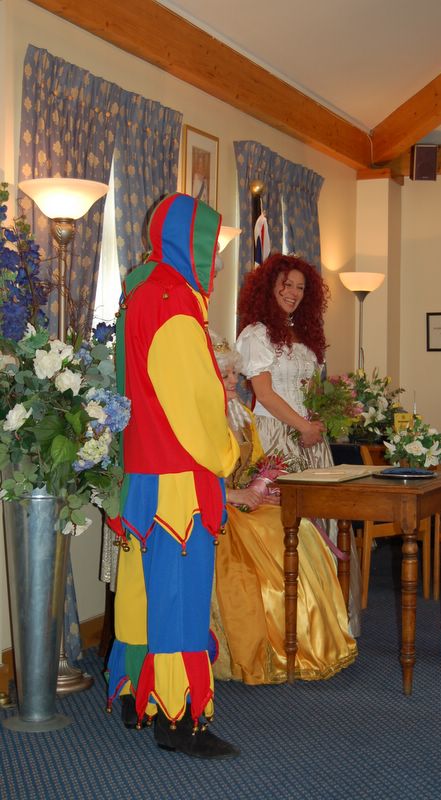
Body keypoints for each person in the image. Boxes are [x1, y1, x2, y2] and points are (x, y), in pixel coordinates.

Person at [105, 193, 240, 759]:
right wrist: (229, 453)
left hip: (141, 472)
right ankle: (180, 720)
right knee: (180, 599)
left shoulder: (139, 291)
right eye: (212, 250)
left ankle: (139, 699)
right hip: (177, 479)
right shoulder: (174, 303)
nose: (217, 264)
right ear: (192, 246)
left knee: (143, 595)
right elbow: (195, 403)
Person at [209, 333, 357, 684]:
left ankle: (309, 639)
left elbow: (255, 466)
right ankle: (278, 645)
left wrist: (264, 488)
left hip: (247, 503)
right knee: (272, 537)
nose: (233, 381)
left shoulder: (242, 416)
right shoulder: (200, 419)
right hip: (217, 509)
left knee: (299, 526)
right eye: (224, 374)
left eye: (234, 374)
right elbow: (194, 477)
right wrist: (235, 496)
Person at [235, 253, 361, 636]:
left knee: (324, 521)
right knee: (289, 528)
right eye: (286, 285)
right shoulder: (256, 334)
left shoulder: (303, 336)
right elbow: (264, 394)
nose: (293, 292)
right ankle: (292, 627)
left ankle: (327, 622)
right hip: (275, 437)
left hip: (309, 439)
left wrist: (329, 411)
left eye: (300, 288)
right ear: (269, 287)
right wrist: (304, 425)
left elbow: (307, 391)